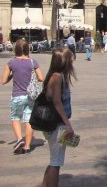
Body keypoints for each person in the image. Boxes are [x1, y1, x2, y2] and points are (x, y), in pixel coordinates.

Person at [1, 39, 44, 154]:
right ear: (27, 49)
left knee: (15, 118)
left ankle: (20, 139)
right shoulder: (32, 62)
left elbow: (3, 81)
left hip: (17, 96)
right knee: (28, 120)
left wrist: (12, 75)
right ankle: (27, 146)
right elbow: (41, 78)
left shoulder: (11, 63)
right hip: (30, 96)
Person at [41, 48, 76, 187]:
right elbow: (57, 102)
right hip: (57, 125)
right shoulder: (57, 77)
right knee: (56, 162)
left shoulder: (57, 75)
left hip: (54, 124)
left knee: (54, 160)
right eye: (70, 58)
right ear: (64, 61)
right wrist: (68, 125)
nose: (72, 61)